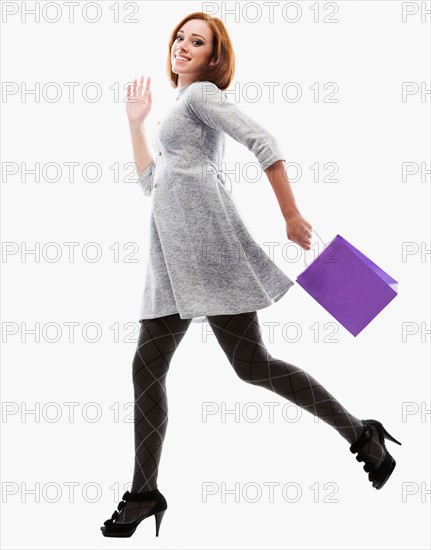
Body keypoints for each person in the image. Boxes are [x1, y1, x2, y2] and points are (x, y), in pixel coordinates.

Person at [100, 12, 401, 539]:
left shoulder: (200, 98)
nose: (183, 45)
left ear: (214, 57)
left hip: (209, 257)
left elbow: (264, 142)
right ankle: (145, 491)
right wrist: (134, 124)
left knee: (248, 367)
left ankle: (361, 433)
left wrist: (290, 214)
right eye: (179, 37)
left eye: (198, 41)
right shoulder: (178, 110)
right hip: (170, 265)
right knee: (154, 370)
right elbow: (153, 183)